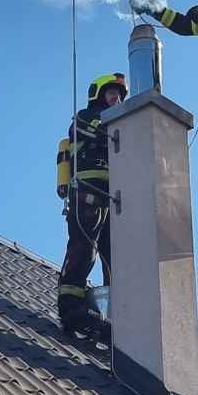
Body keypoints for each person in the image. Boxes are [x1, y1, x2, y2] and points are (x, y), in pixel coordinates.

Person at [56, 72, 127, 340]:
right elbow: (102, 130)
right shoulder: (86, 117)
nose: (116, 99)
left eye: (119, 96)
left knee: (114, 257)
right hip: (86, 193)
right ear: (98, 95)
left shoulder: (118, 127)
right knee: (84, 248)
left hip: (111, 200)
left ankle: (114, 313)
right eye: (111, 93)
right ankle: (70, 305)